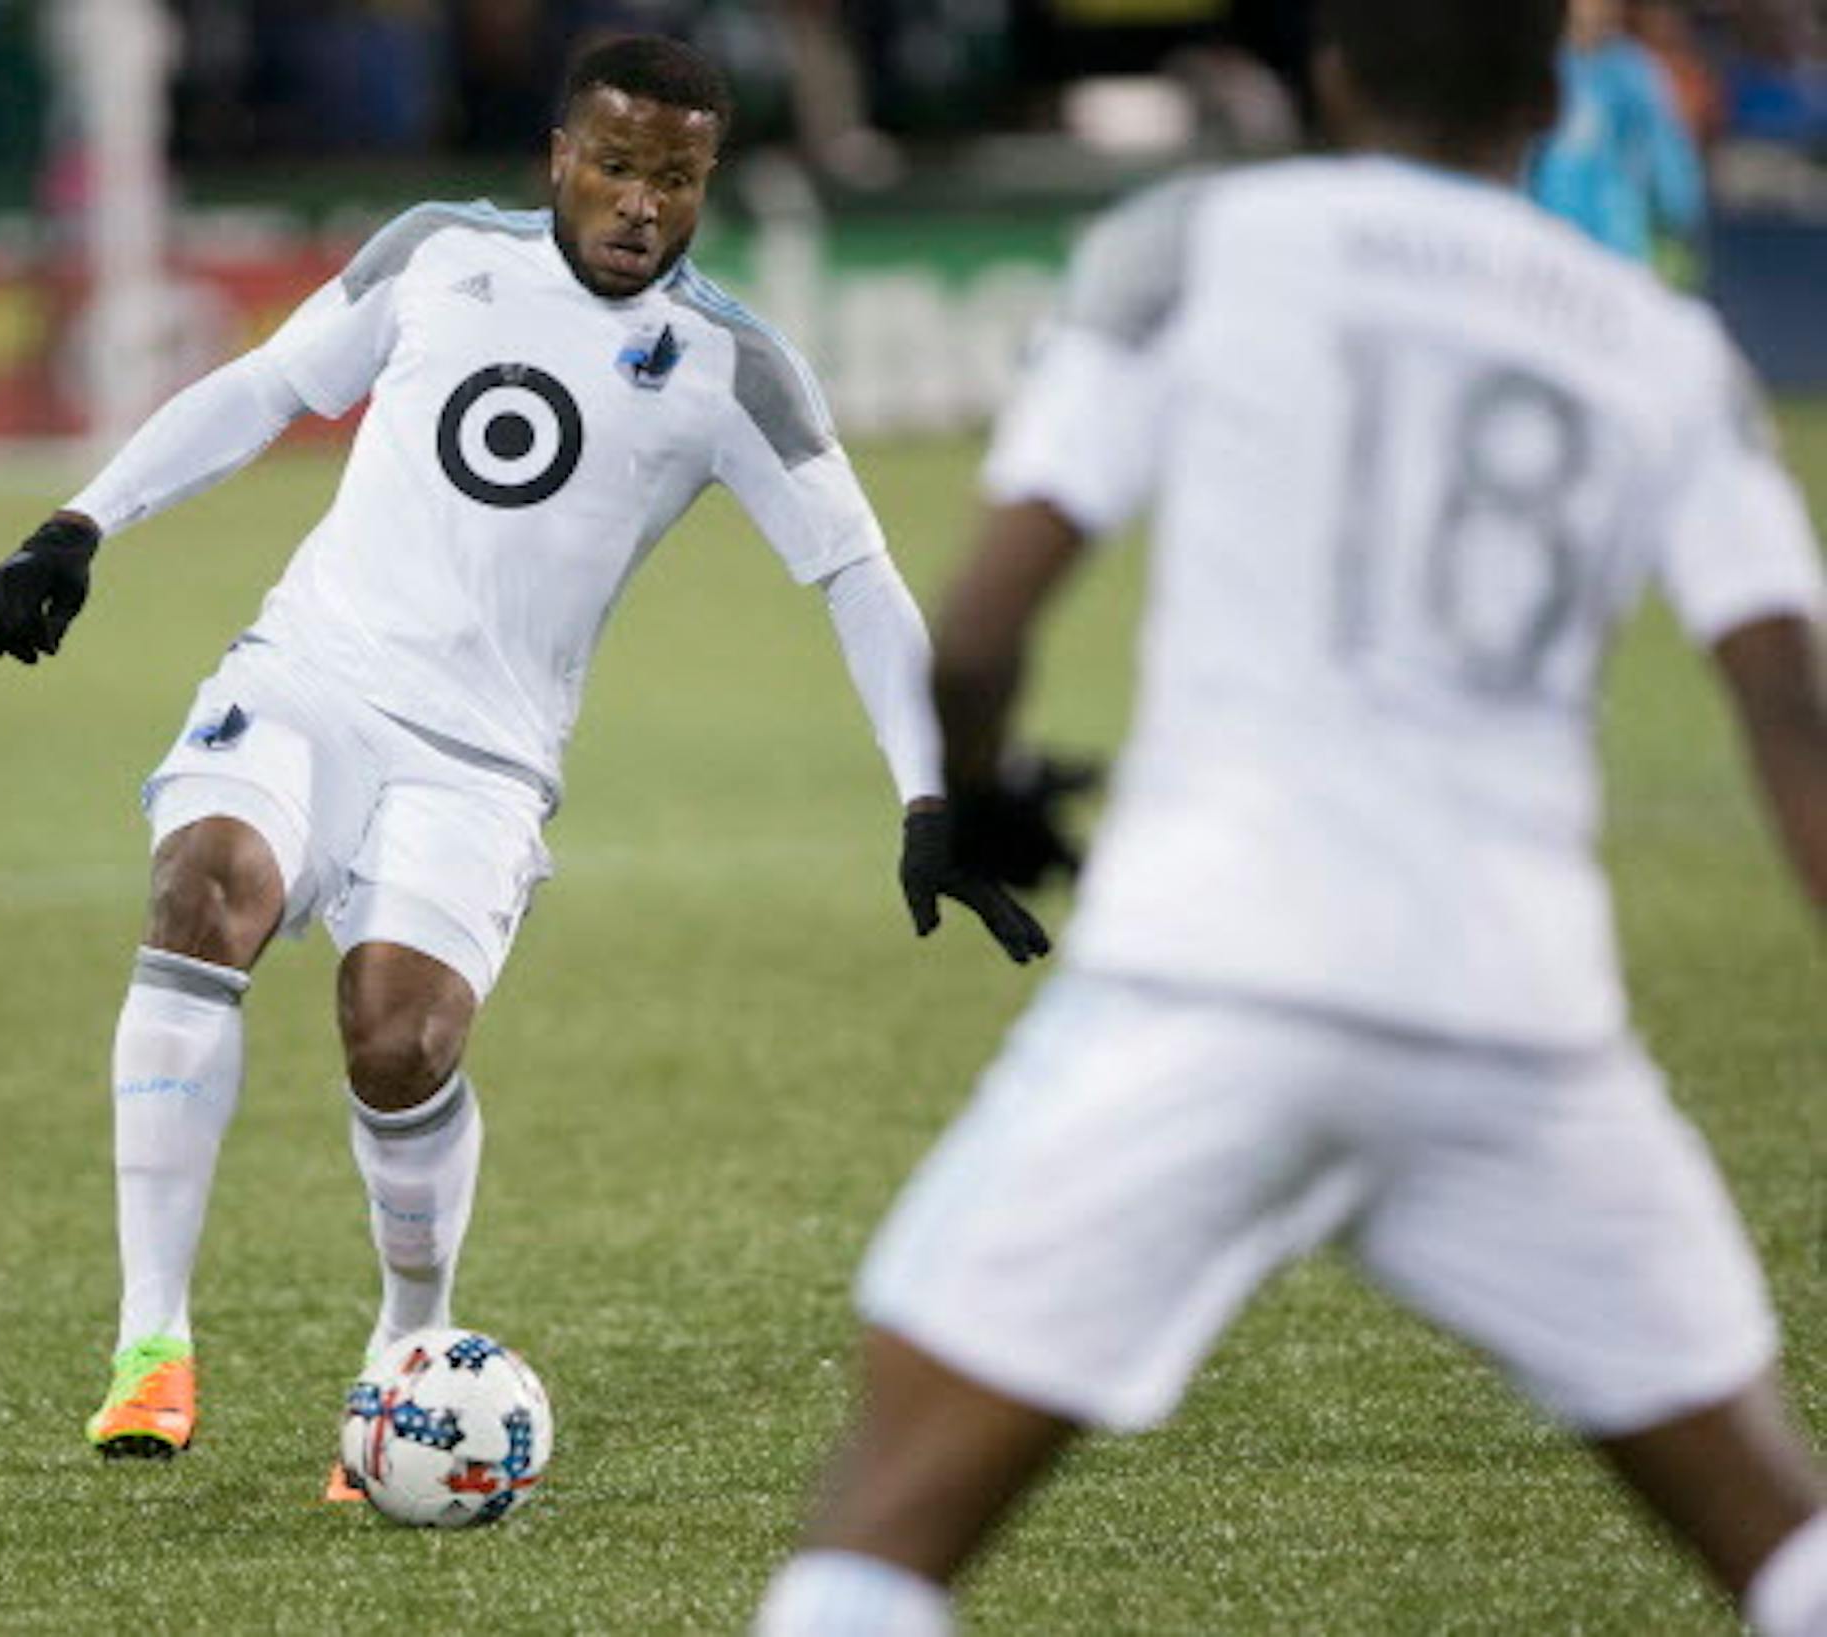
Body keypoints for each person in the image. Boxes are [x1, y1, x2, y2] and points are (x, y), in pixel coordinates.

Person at [754, 0, 1827, 1630]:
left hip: (1212, 970)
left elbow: (978, 632)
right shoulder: (1664, 348)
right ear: (1550, 95)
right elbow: (1792, 715)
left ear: (1330, 77)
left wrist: (975, 801)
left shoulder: (1202, 243)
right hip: (1518, 1020)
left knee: (877, 1536)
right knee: (1781, 1533)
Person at [0, 33, 1049, 1485]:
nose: (642, 203)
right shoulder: (435, 257)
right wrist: (77, 526)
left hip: (482, 761)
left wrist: (934, 790)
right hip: (309, 680)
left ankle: (407, 1342)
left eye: (677, 177)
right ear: (558, 154)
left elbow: (854, 578)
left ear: (708, 181)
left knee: (399, 1035)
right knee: (202, 891)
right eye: (616, 165)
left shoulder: (735, 367)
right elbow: (266, 390)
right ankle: (150, 1338)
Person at [1529, 0, 1705, 270]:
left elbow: (1670, 166)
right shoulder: (1540, 64)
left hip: (1614, 245)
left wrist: (1676, 214)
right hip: (1542, 239)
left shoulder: (1632, 71)